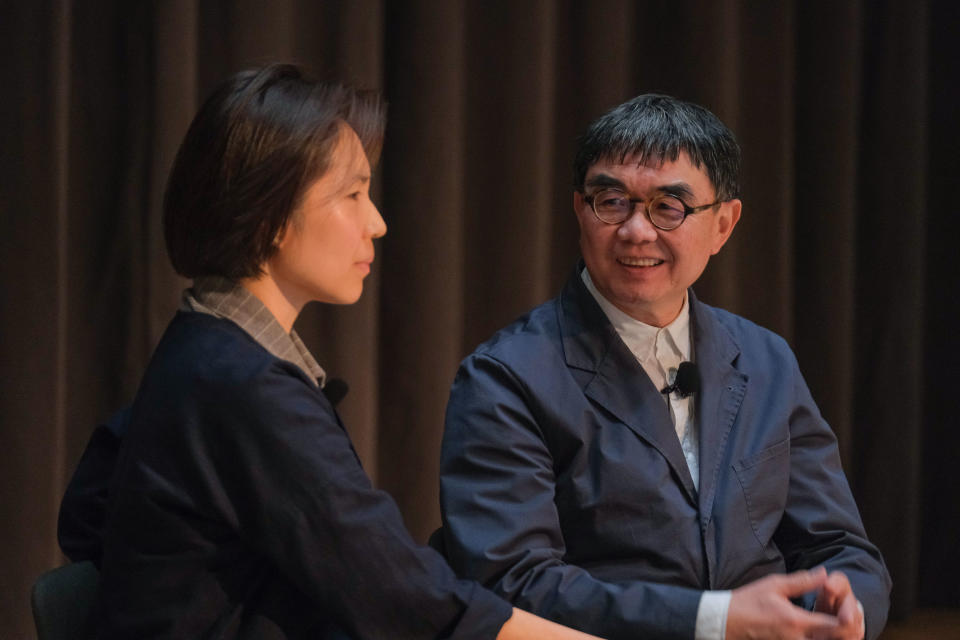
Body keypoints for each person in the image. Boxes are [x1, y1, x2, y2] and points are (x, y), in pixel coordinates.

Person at [91, 64, 602, 640]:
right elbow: (405, 599)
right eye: (352, 193)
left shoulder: (200, 346)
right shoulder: (243, 386)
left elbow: (89, 514)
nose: (377, 223)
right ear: (269, 213)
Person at [438, 94, 891, 640]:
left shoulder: (766, 358)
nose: (636, 231)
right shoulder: (505, 376)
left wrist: (843, 612)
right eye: (611, 201)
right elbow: (509, 583)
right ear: (580, 209)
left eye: (667, 208)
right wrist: (714, 623)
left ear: (723, 224)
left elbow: (838, 546)